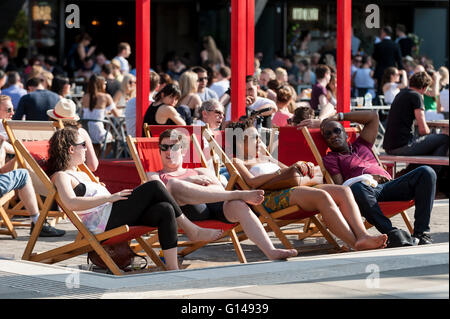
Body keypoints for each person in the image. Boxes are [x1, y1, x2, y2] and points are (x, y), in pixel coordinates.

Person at [48, 127, 223, 270]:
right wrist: (108, 199)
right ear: (71, 149)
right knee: (155, 186)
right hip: (102, 221)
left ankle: (172, 268)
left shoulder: (81, 173)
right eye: (83, 145)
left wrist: (111, 199)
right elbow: (70, 203)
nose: (87, 148)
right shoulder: (62, 176)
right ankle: (191, 229)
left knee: (164, 208)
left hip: (112, 212)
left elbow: (93, 164)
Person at [227, 120, 388, 251]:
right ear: (240, 141)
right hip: (267, 197)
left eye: (258, 137)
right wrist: (278, 174)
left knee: (343, 190)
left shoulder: (266, 157)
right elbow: (251, 182)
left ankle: (362, 235)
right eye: (254, 138)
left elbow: (289, 171)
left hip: (290, 188)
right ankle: (355, 244)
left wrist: (302, 165)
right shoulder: (238, 161)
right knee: (322, 197)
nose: (259, 141)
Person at [147, 129, 298, 261]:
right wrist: (189, 180)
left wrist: (197, 182)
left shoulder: (202, 170)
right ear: (159, 150)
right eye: (164, 147)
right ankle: (238, 194)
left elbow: (219, 190)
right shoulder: (154, 175)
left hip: (217, 205)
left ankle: (271, 251)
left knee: (238, 205)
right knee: (174, 185)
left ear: (184, 151)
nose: (168, 151)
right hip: (189, 212)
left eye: (174, 147)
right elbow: (160, 193)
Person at [320, 111, 436, 245]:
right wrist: (367, 178)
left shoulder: (362, 144)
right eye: (328, 134)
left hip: (390, 187)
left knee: (426, 172)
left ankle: (421, 234)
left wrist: (339, 116)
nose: (333, 135)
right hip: (367, 192)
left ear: (346, 134)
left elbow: (373, 117)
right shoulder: (332, 158)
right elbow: (341, 187)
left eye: (337, 131)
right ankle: (392, 234)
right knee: (358, 187)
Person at [383, 72, 449, 172]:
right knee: (444, 139)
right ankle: (433, 175)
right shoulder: (416, 96)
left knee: (431, 144)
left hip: (389, 146)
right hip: (402, 146)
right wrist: (431, 134)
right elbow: (423, 130)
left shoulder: (400, 94)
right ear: (424, 87)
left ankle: (410, 172)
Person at [47, 98, 98, 172]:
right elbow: (93, 166)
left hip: (49, 174)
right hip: (74, 176)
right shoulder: (81, 133)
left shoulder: (46, 131)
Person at [81, 74, 120, 156]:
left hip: (87, 131)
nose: (106, 84)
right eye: (105, 82)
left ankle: (96, 160)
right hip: (99, 131)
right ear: (101, 84)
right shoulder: (106, 97)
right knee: (112, 140)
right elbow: (117, 114)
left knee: (96, 145)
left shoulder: (85, 97)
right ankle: (101, 159)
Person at [125, 71, 160, 138]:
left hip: (131, 141)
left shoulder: (130, 102)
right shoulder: (154, 104)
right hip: (144, 142)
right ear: (157, 87)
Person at [372, 26, 403, 94]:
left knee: (380, 90)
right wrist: (401, 73)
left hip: (381, 71)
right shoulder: (395, 45)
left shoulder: (379, 45)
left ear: (384, 33)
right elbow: (399, 60)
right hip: (392, 71)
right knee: (392, 90)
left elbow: (374, 57)